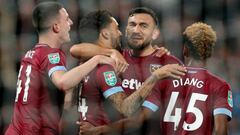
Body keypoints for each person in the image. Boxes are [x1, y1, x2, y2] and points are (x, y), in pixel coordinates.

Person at [4, 2, 116, 135]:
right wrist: (97, 58)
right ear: (56, 27)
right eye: (67, 19)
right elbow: (62, 81)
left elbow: (57, 96)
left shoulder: (30, 54)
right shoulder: (52, 53)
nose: (71, 22)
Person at [70, 7, 185, 135]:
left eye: (143, 26)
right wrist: (111, 52)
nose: (136, 30)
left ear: (155, 33)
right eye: (132, 25)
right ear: (126, 30)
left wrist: (101, 130)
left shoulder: (167, 65)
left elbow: (139, 117)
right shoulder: (117, 58)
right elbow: (75, 49)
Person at [142, 22, 233, 135]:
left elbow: (143, 119)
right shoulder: (220, 86)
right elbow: (221, 131)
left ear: (185, 49)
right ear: (209, 53)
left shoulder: (164, 79)